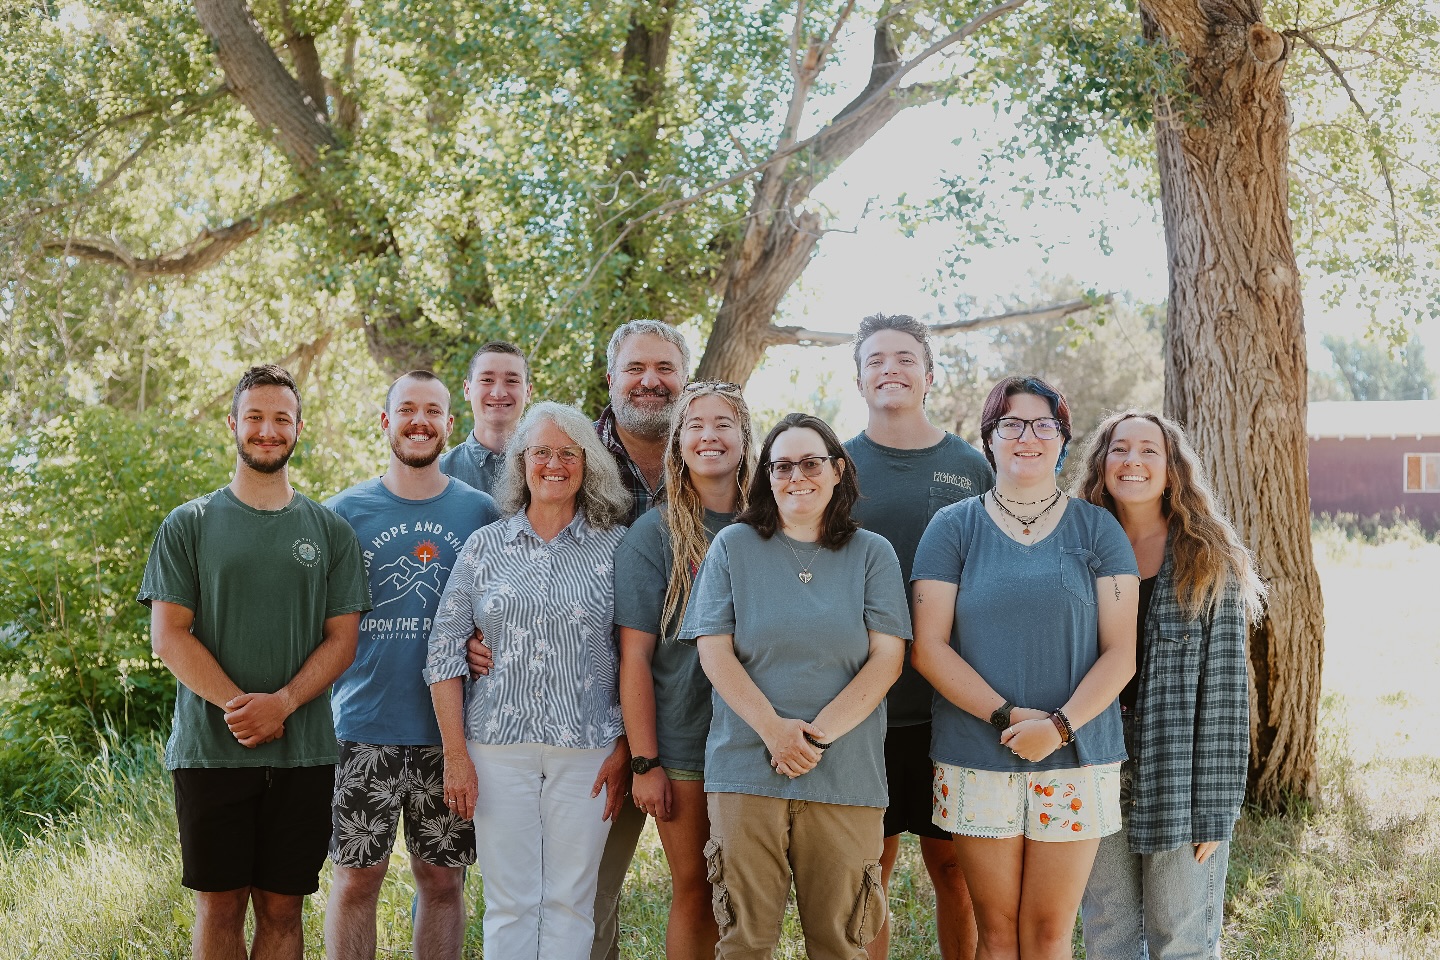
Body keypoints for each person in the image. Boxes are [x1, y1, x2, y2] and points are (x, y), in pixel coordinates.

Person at [467, 317, 692, 960]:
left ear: (684, 376)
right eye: (635, 369)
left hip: (703, 703)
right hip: (594, 719)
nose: (650, 382)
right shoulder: (568, 451)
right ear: (612, 377)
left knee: (702, 883)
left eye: (665, 369)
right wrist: (482, 639)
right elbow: (510, 565)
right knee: (588, 896)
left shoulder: (710, 451)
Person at [138, 364, 371, 960]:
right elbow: (169, 636)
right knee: (220, 906)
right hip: (211, 749)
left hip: (305, 752)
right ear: (233, 425)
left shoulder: (331, 531)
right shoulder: (188, 524)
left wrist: (285, 704)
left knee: (282, 908)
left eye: (281, 419)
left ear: (299, 428)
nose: (268, 430)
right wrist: (242, 710)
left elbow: (342, 641)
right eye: (256, 418)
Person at [910, 376, 1138, 960]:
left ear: (1063, 439)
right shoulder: (953, 528)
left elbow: (1121, 653)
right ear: (988, 439)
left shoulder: (1098, 530)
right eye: (1011, 424)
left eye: (1043, 424)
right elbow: (928, 648)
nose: (1027, 437)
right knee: (997, 929)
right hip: (975, 754)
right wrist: (1009, 716)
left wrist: (1058, 727)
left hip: (1077, 759)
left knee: (1047, 933)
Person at [681, 412, 910, 960]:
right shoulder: (733, 546)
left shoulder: (872, 553)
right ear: (766, 476)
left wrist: (814, 738)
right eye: (781, 465)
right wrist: (773, 731)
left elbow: (888, 660)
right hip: (744, 768)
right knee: (744, 941)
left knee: (841, 943)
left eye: (811, 463)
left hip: (845, 774)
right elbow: (713, 648)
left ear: (836, 471)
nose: (796, 476)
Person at [426, 402, 633, 960]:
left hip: (587, 750)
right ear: (521, 461)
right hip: (496, 748)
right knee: (510, 902)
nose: (554, 464)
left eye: (569, 453)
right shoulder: (485, 547)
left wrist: (624, 746)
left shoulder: (616, 548)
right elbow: (443, 650)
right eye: (540, 451)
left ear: (589, 465)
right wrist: (456, 756)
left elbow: (637, 656)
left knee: (571, 902)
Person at [323, 371, 501, 960]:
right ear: (386, 421)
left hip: (449, 737)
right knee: (355, 881)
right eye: (407, 410)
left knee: (444, 881)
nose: (420, 421)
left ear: (449, 425)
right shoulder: (341, 513)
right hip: (360, 728)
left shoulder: (482, 513)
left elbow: (503, 607)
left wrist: (485, 643)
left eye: (433, 412)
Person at [1075, 411, 1265, 960]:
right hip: (1094, 763)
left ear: (1172, 467)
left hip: (1180, 774)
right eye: (1119, 449)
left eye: (1148, 450)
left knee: (1179, 937)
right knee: (1108, 932)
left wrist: (1216, 809)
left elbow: (1228, 697)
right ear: (1102, 462)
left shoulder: (1209, 560)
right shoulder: (1076, 551)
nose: (1132, 460)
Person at [843, 313, 992, 960]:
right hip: (862, 706)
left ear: (929, 377)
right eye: (875, 360)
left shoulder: (969, 467)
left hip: (949, 706)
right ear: (859, 379)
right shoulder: (835, 464)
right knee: (867, 871)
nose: (890, 370)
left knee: (954, 870)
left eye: (904, 358)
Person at [616, 381, 757, 960]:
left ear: (746, 438)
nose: (709, 436)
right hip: (684, 744)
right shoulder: (654, 534)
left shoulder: (773, 524)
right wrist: (646, 761)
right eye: (695, 425)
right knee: (696, 888)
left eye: (723, 423)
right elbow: (636, 659)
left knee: (750, 895)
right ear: (677, 441)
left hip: (761, 739)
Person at [439, 340, 533, 495]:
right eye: (487, 380)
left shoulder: (548, 470)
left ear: (528, 392)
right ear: (467, 389)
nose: (498, 393)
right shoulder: (437, 473)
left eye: (512, 381)